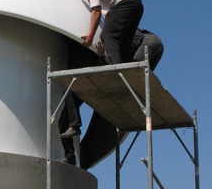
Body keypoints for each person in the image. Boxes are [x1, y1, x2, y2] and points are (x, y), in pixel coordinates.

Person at [57, 29, 164, 166]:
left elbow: (102, 68)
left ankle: (75, 126)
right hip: (79, 81)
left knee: (130, 72)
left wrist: (101, 55)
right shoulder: (79, 41)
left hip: (90, 81)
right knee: (63, 119)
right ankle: (70, 155)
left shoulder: (106, 40)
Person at [63, 0, 144, 63]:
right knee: (123, 42)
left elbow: (96, 11)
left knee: (107, 36)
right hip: (136, 5)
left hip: (124, 4)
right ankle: (124, 68)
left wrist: (90, 36)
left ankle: (117, 70)